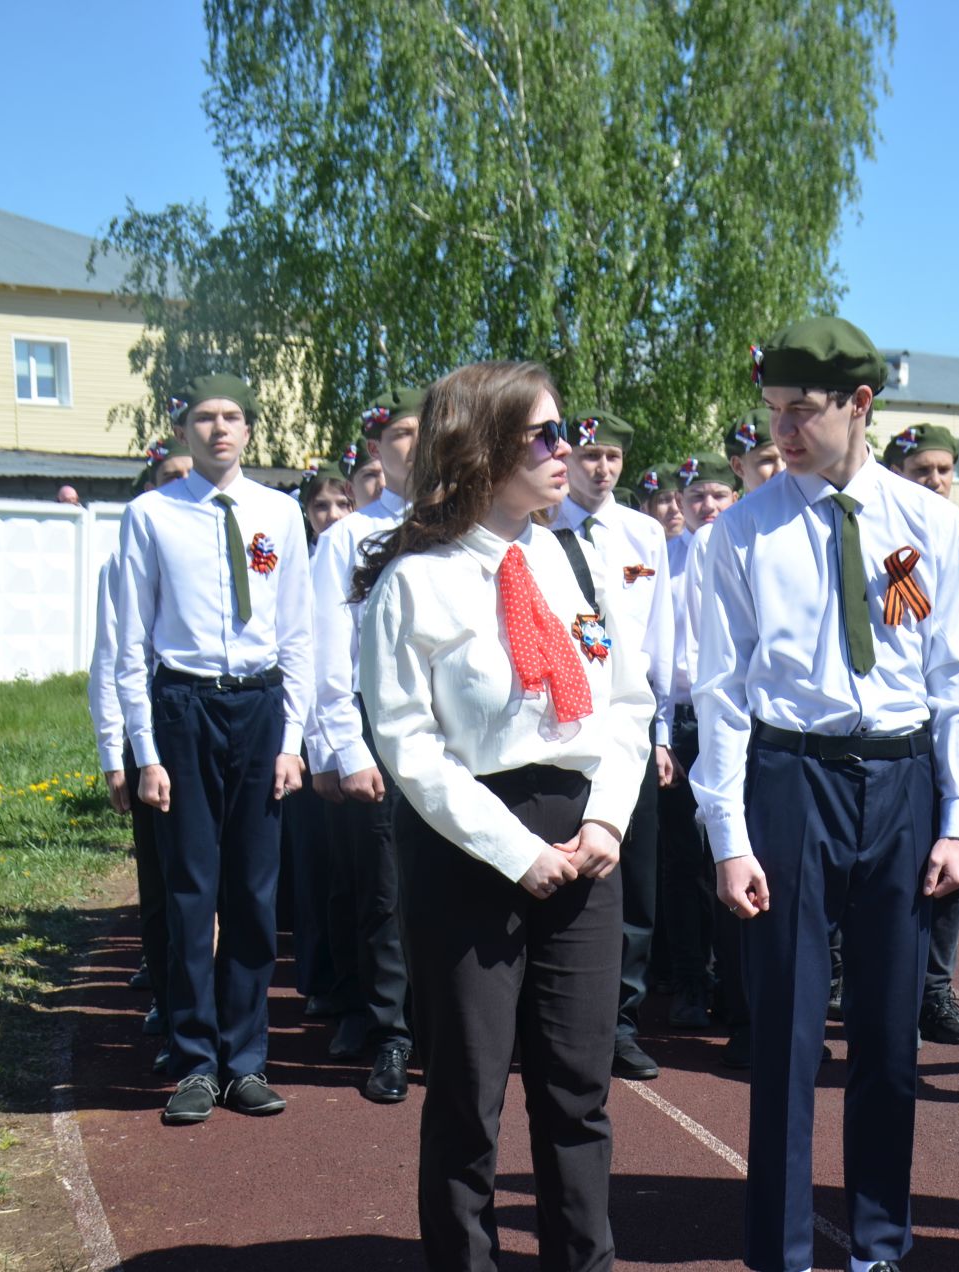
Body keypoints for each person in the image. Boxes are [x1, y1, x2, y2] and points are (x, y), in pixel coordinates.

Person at [694, 317, 959, 1272]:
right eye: (773, 410)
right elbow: (722, 691)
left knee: (890, 1036)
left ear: (860, 405)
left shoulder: (930, 524)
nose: (782, 431)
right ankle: (779, 1252)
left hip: (899, 781)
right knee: (783, 1037)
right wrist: (729, 835)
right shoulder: (741, 532)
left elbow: (954, 678)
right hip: (792, 778)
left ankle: (878, 1245)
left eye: (803, 411)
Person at [356, 361, 651, 1271]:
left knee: (577, 1092)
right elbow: (405, 743)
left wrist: (604, 824)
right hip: (470, 844)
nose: (567, 451)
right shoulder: (417, 581)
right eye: (545, 436)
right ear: (483, 447)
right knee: (467, 1096)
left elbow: (627, 703)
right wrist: (515, 850)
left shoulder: (575, 558)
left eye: (565, 433)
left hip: (583, 836)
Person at [116, 373, 314, 1125]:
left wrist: (292, 740)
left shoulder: (279, 514)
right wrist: (146, 750)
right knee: (191, 891)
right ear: (183, 428)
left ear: (251, 430)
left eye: (233, 416)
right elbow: (132, 641)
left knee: (254, 896)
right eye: (205, 416)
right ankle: (195, 1060)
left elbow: (298, 633)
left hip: (259, 709)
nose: (219, 429)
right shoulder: (151, 516)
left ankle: (246, 1061)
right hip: (184, 706)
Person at [550, 408, 676, 1081]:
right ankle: (559, 1017)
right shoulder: (542, 528)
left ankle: (620, 1021)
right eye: (590, 456)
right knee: (568, 855)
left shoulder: (643, 534)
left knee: (636, 876)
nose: (601, 469)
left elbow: (663, 635)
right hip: (565, 716)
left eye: (613, 458)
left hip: (631, 718)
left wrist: (665, 733)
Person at [307, 390, 424, 1099]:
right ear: (376, 449)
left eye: (422, 433)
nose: (412, 447)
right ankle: (390, 1031)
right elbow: (328, 645)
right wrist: (340, 746)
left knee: (446, 878)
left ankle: (437, 1020)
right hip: (376, 719)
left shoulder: (457, 525)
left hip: (449, 727)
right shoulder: (347, 538)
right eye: (399, 435)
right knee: (382, 885)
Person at [660, 414, 783, 1055]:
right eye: (758, 461)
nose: (708, 504)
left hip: (772, 725)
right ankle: (703, 986)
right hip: (706, 716)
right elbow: (700, 653)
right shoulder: (710, 543)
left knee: (764, 863)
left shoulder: (784, 526)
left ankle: (752, 1004)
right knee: (702, 860)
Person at [881, 421, 959, 1047]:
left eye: (945, 470)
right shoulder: (880, 541)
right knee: (892, 869)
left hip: (956, 720)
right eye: (923, 470)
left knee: (955, 857)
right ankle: (880, 987)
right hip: (894, 728)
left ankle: (934, 991)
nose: (936, 481)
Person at [90, 441, 192, 1070]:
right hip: (147, 728)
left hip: (211, 722)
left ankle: (215, 1005)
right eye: (167, 477)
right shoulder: (121, 561)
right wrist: (112, 750)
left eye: (186, 475)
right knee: (159, 879)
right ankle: (169, 994)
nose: (179, 484)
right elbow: (110, 658)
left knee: (217, 880)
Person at [282, 459, 353, 1016]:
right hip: (306, 730)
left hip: (351, 725)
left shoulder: (358, 556)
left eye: (340, 504)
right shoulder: (297, 565)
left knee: (353, 867)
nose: (330, 515)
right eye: (320, 506)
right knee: (315, 862)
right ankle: (319, 977)